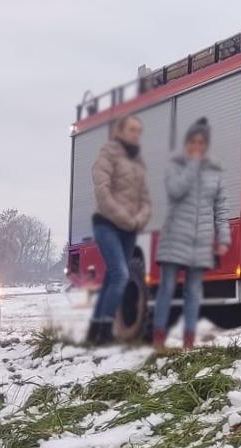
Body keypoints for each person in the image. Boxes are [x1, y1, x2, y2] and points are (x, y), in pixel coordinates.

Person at [154, 118, 228, 351]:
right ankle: (158, 340)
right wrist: (193, 166)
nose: (198, 145)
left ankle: (188, 342)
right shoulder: (175, 166)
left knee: (194, 292)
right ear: (187, 143)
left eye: (201, 142)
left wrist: (223, 238)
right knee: (167, 288)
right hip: (176, 237)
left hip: (201, 241)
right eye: (193, 141)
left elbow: (220, 207)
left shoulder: (214, 173)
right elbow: (176, 191)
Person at [89, 115, 151, 345]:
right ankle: (105, 331)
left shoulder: (137, 163)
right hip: (107, 225)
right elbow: (102, 191)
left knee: (112, 278)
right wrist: (124, 217)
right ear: (121, 132)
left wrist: (138, 219)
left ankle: (95, 328)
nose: (137, 135)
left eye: (139, 131)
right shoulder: (107, 156)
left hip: (128, 229)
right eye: (132, 130)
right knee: (121, 275)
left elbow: (145, 199)